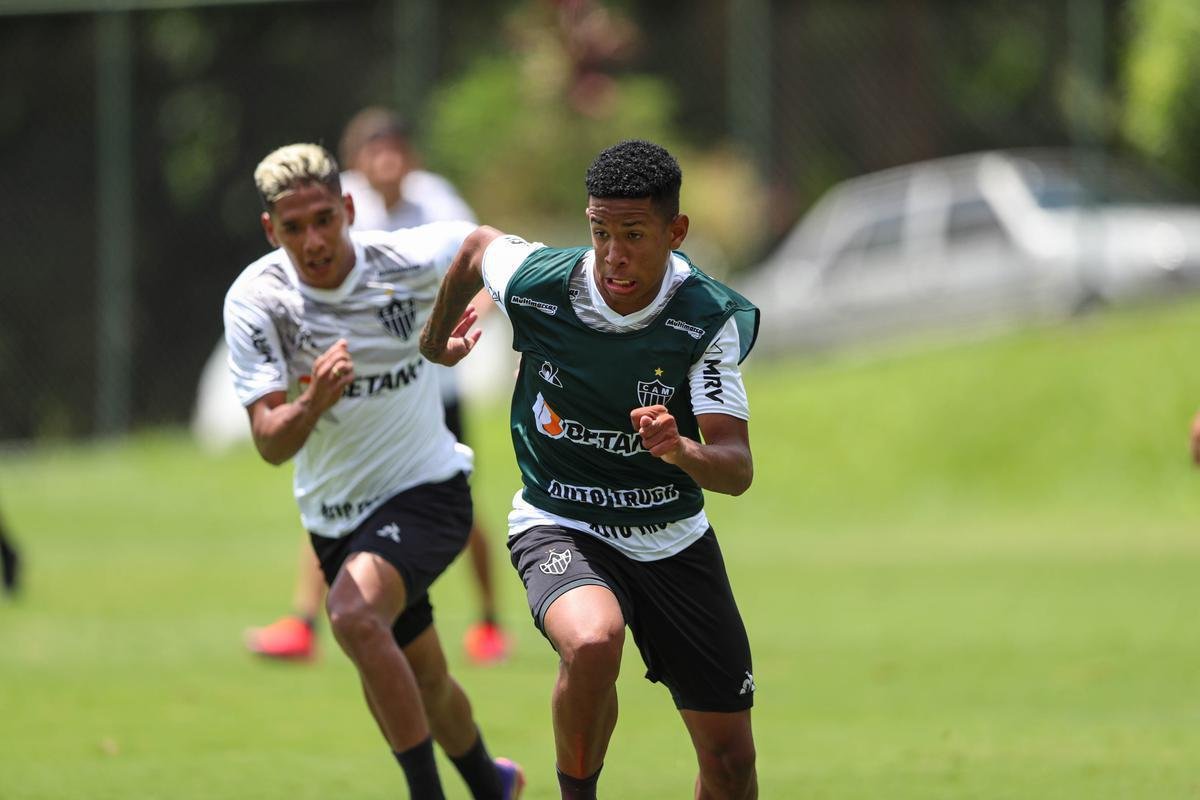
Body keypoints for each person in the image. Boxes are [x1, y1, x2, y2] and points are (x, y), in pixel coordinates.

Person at [420, 139, 760, 799]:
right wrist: (436, 342)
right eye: (600, 232)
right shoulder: (539, 280)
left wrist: (682, 451)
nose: (613, 254)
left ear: (676, 231)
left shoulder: (705, 317)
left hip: (673, 538)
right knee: (594, 641)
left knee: (731, 764)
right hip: (561, 519)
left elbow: (737, 467)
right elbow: (473, 248)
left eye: (633, 234)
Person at [224, 142, 524, 799]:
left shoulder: (404, 260)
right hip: (336, 520)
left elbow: (488, 244)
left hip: (429, 490)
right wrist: (312, 403)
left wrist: (441, 325)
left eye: (325, 218)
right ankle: (491, 782)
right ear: (271, 231)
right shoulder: (259, 300)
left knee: (354, 617)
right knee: (425, 678)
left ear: (349, 209)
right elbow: (272, 444)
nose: (314, 239)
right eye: (294, 227)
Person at [243, 109, 511, 666]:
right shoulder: (329, 204)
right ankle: (302, 620)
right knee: (334, 493)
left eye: (395, 151)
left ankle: (489, 620)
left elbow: (477, 267)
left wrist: (448, 326)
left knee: (451, 490)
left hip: (432, 380)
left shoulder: (436, 202)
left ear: (410, 157)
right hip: (351, 382)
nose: (386, 163)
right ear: (357, 164)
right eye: (374, 152)